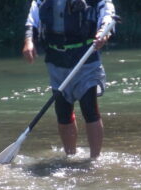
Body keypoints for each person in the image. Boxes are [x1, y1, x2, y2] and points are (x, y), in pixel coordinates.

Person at [22, 0, 116, 159]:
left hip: (86, 59)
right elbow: (32, 21)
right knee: (63, 112)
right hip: (56, 61)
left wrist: (103, 33)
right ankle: (70, 157)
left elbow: (108, 14)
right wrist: (29, 41)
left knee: (89, 107)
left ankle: (94, 159)